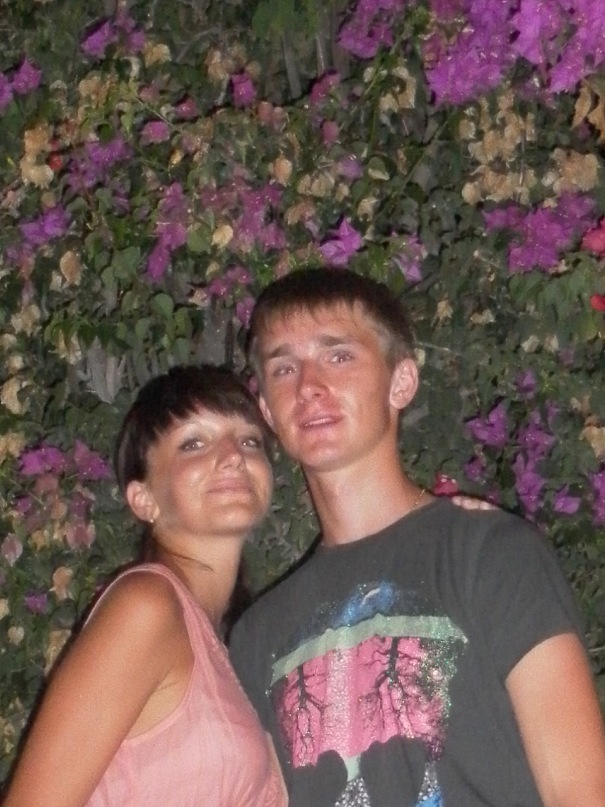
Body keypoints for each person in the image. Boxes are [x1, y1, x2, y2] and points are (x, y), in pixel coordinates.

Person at [230, 268, 605, 807]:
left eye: (338, 356)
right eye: (284, 367)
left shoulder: (490, 554)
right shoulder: (257, 636)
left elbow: (579, 790)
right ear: (267, 409)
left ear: (401, 382)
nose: (308, 385)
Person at [4, 365, 287, 807]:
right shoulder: (146, 607)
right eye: (194, 443)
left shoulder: (229, 646)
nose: (234, 455)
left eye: (249, 441)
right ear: (143, 499)